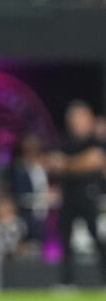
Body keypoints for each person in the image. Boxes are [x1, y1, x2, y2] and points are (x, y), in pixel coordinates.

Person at [52, 100, 106, 286]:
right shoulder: (66, 141)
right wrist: (79, 163)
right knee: (65, 239)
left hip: (89, 195)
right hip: (69, 195)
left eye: (80, 117)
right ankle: (67, 282)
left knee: (98, 238)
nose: (76, 121)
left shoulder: (96, 140)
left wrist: (68, 165)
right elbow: (55, 163)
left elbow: (96, 161)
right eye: (73, 118)